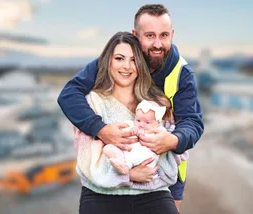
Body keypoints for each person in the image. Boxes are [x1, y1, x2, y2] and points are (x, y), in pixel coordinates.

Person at [58, 4, 204, 211]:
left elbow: (192, 122)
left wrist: (171, 140)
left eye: (164, 35)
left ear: (172, 34)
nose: (157, 44)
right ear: (135, 35)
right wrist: (101, 130)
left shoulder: (180, 76)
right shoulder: (113, 63)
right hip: (105, 191)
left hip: (161, 180)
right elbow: (69, 94)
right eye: (150, 35)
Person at [73, 31, 180, 214]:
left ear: (141, 64)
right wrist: (128, 176)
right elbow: (86, 161)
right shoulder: (90, 102)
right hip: (101, 195)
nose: (127, 66)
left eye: (133, 59)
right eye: (120, 58)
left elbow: (170, 163)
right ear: (108, 62)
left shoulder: (158, 104)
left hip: (153, 193)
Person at [102, 99, 169, 175]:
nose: (141, 124)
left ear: (157, 123)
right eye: (138, 120)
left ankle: (126, 166)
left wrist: (143, 134)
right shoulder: (131, 125)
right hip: (125, 153)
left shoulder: (159, 130)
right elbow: (121, 132)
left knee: (139, 155)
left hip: (144, 157)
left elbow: (163, 140)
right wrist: (131, 130)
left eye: (147, 122)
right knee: (108, 148)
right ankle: (120, 162)